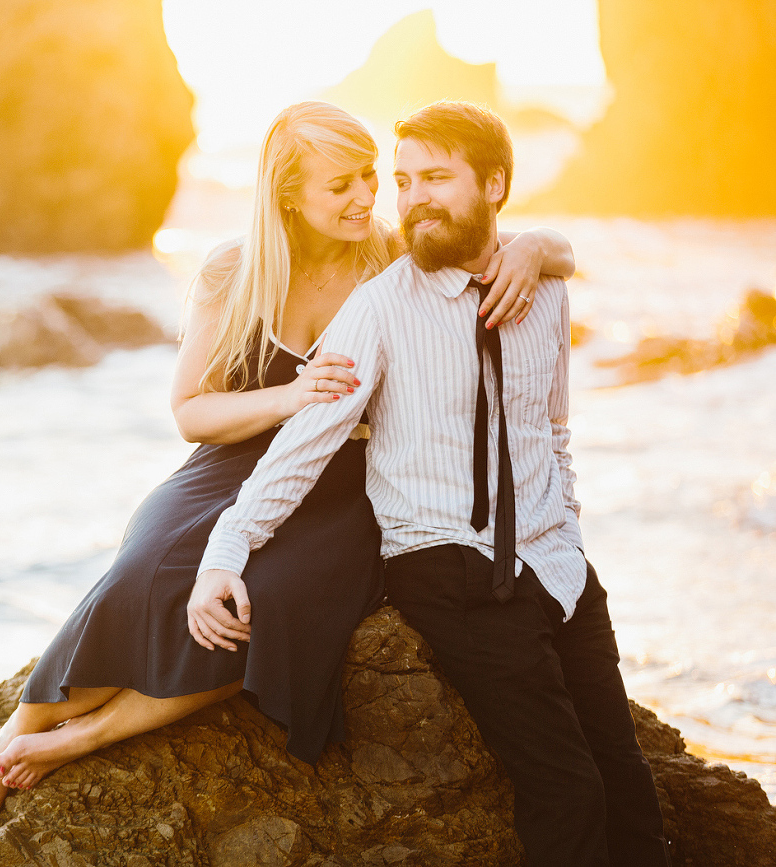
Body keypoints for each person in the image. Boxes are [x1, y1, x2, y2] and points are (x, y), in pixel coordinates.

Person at [0, 100, 576, 836]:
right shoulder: (231, 272)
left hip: (347, 487)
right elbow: (189, 410)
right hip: (228, 466)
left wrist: (535, 247)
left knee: (265, 607)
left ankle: (80, 736)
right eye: (339, 185)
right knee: (143, 573)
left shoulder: (389, 259)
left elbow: (511, 244)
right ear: (288, 195)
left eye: (369, 177)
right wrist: (289, 394)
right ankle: (5, 740)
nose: (366, 197)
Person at [193, 101, 669, 866]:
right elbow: (302, 445)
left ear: (494, 186)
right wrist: (226, 551)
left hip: (554, 558)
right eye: (404, 180)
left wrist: (570, 534)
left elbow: (551, 432)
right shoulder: (378, 308)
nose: (412, 197)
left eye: (436, 179)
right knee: (566, 787)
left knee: (628, 777)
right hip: (445, 561)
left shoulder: (543, 288)